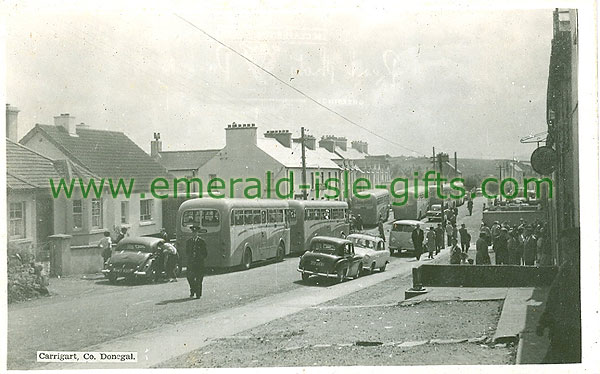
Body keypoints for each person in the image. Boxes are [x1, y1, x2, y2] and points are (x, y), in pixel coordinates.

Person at [536, 227, 581, 363]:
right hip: (562, 330)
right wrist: (544, 321)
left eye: (568, 247)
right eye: (563, 248)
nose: (565, 252)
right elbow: (553, 297)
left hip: (576, 331)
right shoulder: (566, 268)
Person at [186, 226, 208, 299]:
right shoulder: (189, 242)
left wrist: (200, 258)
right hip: (191, 263)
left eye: (195, 233)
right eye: (193, 232)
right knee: (190, 278)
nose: (194, 234)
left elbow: (205, 253)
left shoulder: (202, 241)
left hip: (199, 263)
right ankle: (192, 290)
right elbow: (187, 252)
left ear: (197, 233)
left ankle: (198, 294)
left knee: (199, 279)